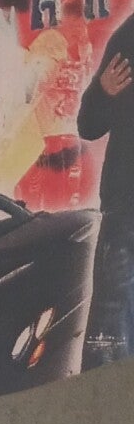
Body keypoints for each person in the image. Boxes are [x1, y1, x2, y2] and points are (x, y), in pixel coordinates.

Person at [78, 19, 134, 365]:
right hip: (126, 211)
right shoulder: (128, 39)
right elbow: (88, 124)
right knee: (112, 328)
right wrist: (103, 92)